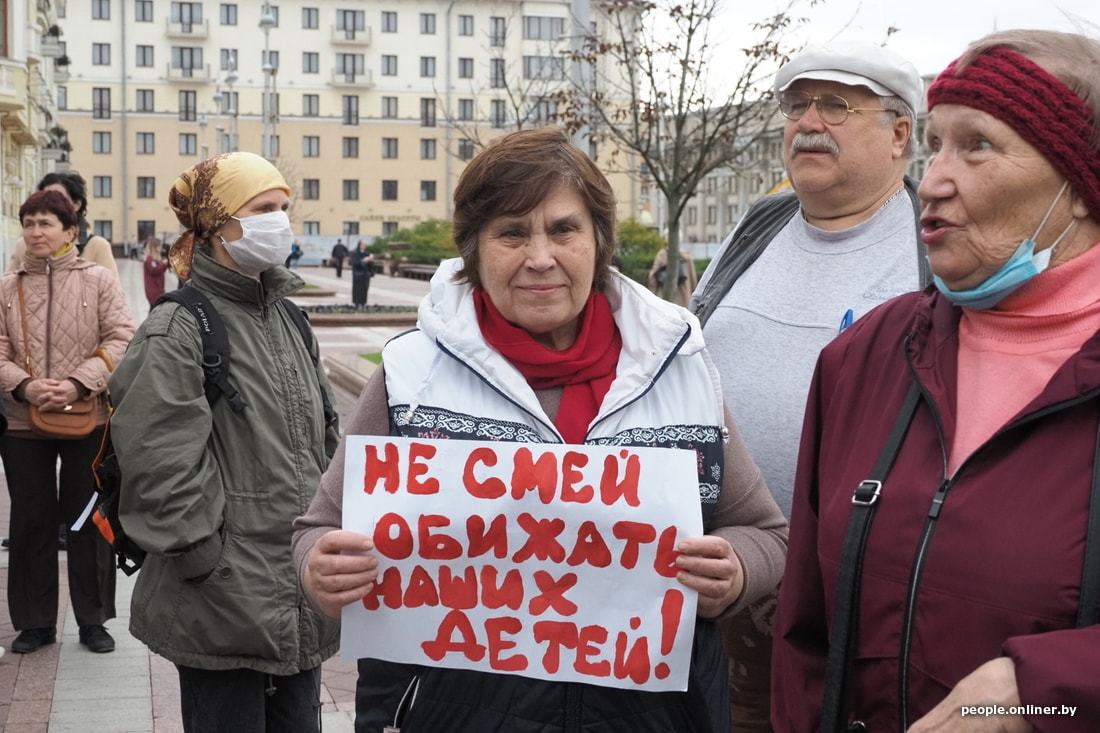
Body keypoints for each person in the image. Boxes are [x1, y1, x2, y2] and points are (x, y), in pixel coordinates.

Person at [292, 128, 788, 732]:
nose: (540, 257)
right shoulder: (411, 375)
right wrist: (321, 569)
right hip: (452, 714)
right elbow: (318, 530)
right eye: (510, 233)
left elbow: (764, 531)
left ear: (600, 241)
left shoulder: (679, 365)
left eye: (563, 229)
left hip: (653, 715)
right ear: (474, 251)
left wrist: (734, 571)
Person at [773, 30, 1100, 732]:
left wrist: (1047, 689)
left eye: (976, 145)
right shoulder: (861, 358)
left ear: (1077, 186)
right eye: (936, 144)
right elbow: (804, 637)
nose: (937, 179)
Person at [688, 41, 928, 730]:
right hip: (728, 583)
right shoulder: (756, 228)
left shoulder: (931, 249)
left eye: (836, 105)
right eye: (796, 105)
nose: (807, 121)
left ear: (900, 133)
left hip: (853, 606)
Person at [108, 152, 341, 732]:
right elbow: (158, 465)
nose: (280, 223)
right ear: (217, 227)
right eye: (263, 210)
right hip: (221, 595)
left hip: (296, 587)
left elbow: (325, 439)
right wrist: (207, 562)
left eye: (284, 209)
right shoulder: (178, 326)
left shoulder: (289, 318)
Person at [0, 190, 135, 655]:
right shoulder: (6, 286)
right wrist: (23, 386)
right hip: (22, 421)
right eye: (29, 223)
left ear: (70, 231)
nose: (36, 232)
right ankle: (35, 623)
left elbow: (122, 337)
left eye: (45, 223)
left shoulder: (98, 280)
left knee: (87, 519)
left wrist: (81, 382)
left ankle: (93, 620)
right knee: (31, 521)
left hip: (88, 418)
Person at [6, 171, 120, 279]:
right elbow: (7, 291)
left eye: (59, 199)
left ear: (76, 204)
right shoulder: (24, 246)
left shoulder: (96, 246)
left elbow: (112, 294)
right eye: (45, 198)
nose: (50, 205)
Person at [143, 237, 168, 306]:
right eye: (160, 246)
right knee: (155, 310)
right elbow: (154, 270)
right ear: (155, 247)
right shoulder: (149, 259)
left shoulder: (156, 258)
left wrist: (164, 264)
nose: (161, 248)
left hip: (158, 289)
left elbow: (161, 270)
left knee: (154, 310)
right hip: (153, 291)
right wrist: (164, 263)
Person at [349, 239, 373, 308]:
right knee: (357, 290)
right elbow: (355, 263)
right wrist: (364, 260)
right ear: (359, 245)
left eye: (365, 245)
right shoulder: (355, 253)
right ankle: (357, 303)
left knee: (365, 289)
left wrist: (371, 260)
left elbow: (371, 265)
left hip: (365, 275)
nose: (364, 246)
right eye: (363, 245)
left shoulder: (367, 254)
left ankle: (363, 302)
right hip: (358, 274)